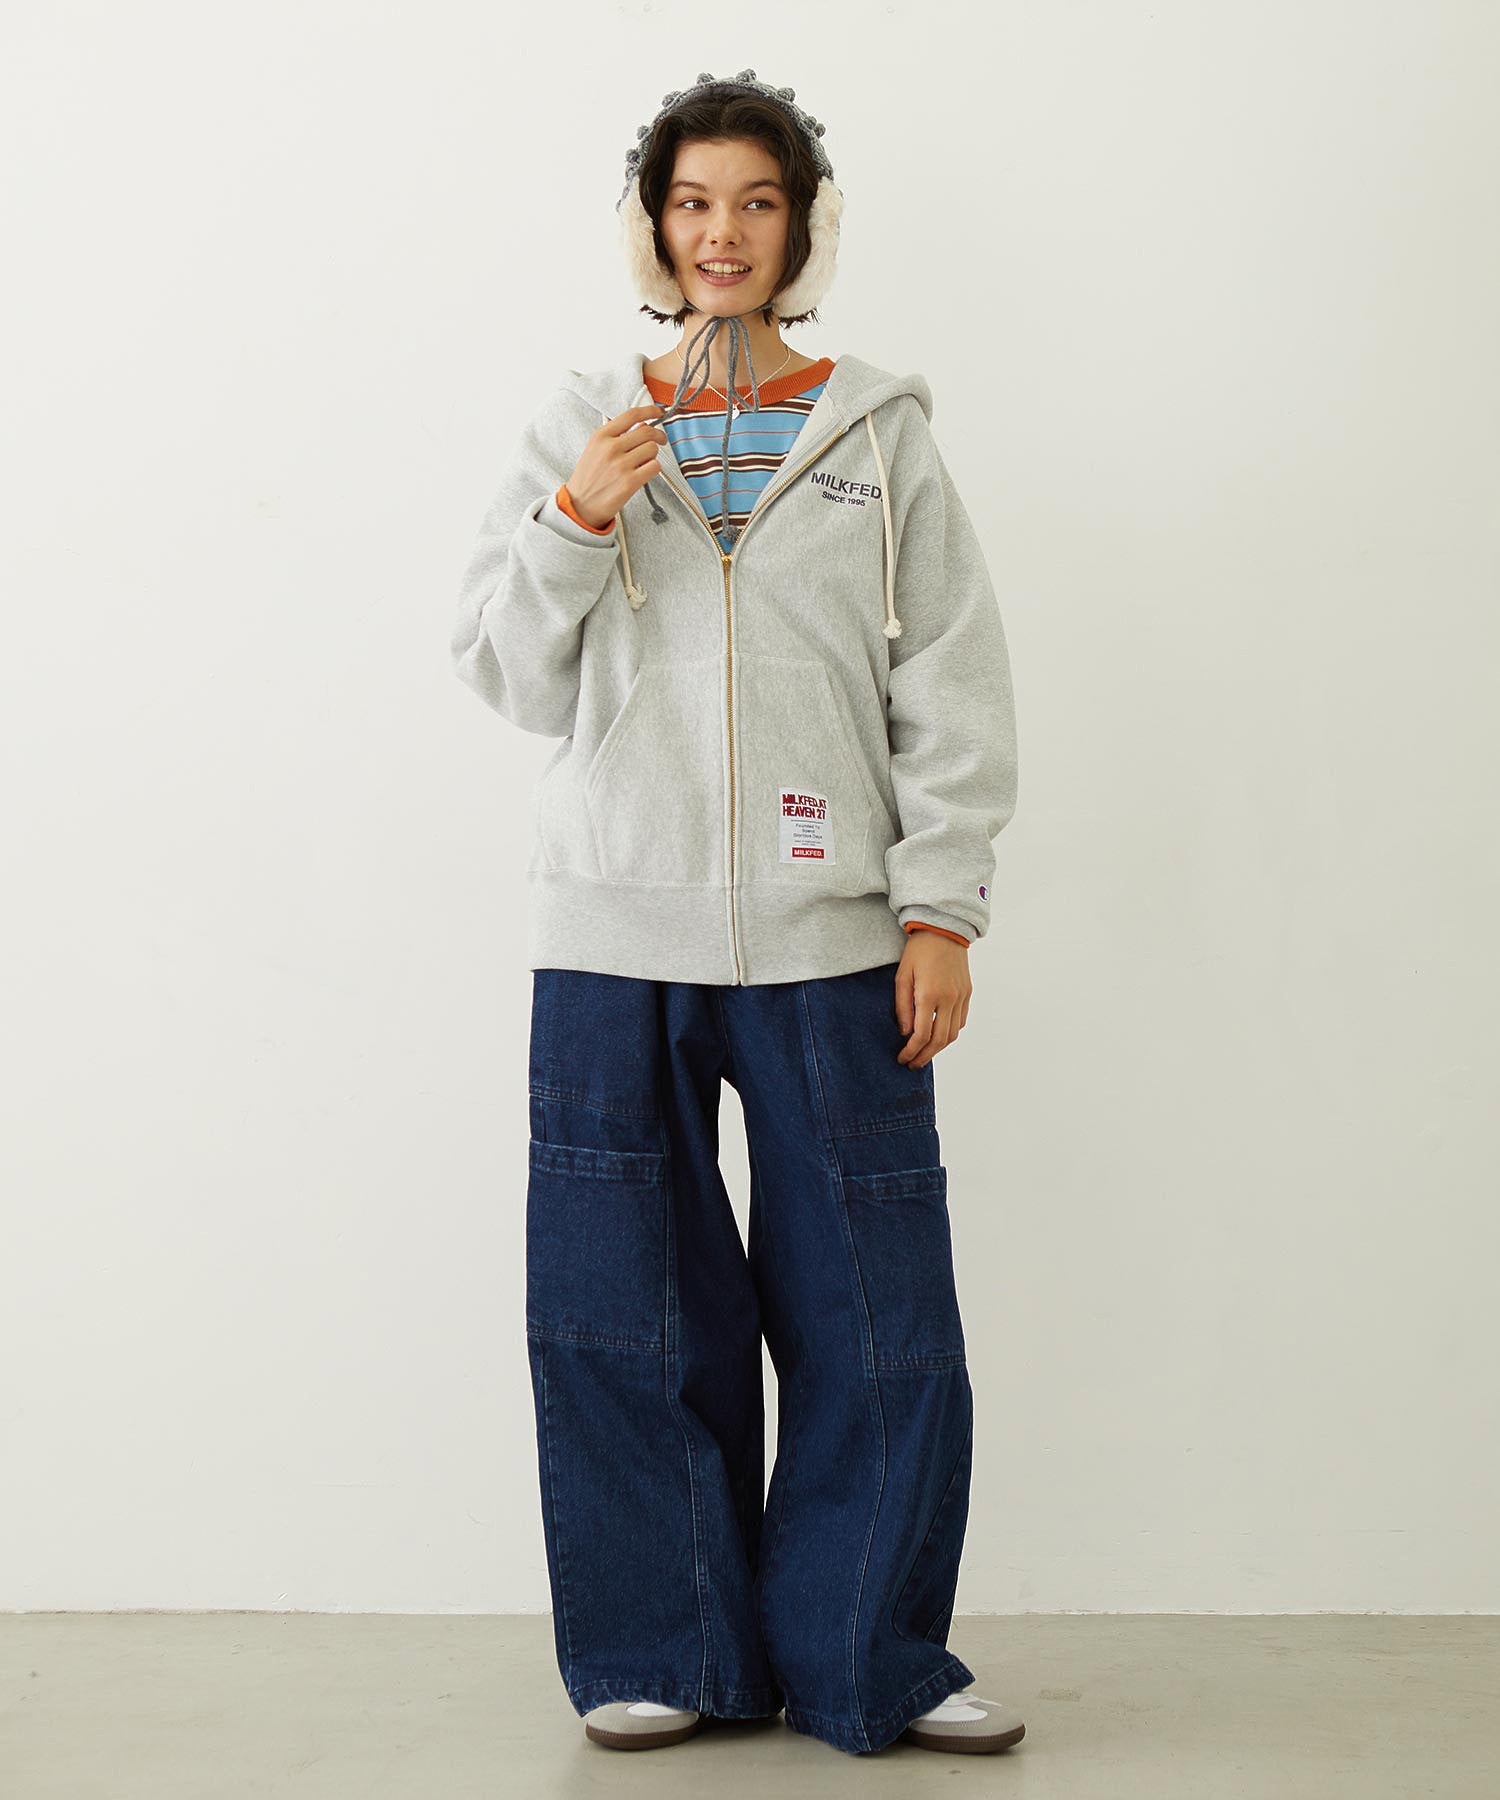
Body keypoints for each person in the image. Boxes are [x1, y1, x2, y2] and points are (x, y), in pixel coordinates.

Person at [451, 69, 1024, 1758]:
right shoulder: (580, 424)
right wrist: (580, 515)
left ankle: (873, 1658)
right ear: (654, 227)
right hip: (610, 933)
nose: (724, 234)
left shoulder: (877, 432)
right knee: (621, 1310)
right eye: (695, 203)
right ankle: (666, 1648)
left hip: (833, 929)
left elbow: (954, 679)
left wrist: (941, 907)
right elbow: (505, 672)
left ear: (802, 226)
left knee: (876, 1316)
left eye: (757, 203)